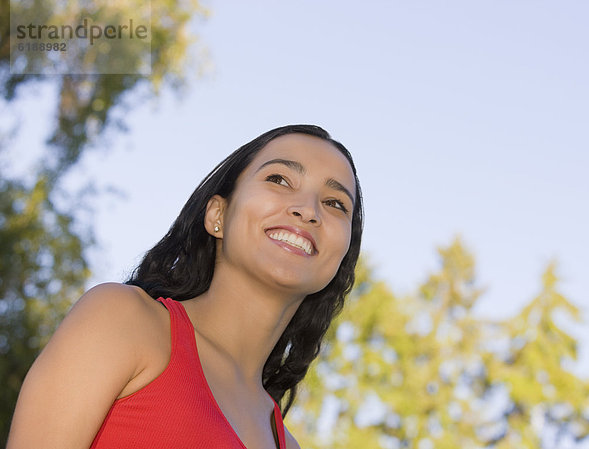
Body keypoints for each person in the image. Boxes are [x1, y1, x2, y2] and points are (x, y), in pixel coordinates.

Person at [7, 124, 364, 449]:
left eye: (335, 204)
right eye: (279, 179)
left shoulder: (287, 444)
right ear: (217, 216)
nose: (308, 209)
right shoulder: (122, 321)